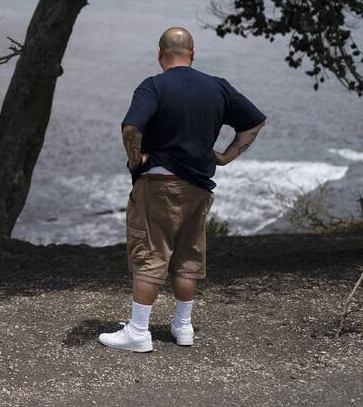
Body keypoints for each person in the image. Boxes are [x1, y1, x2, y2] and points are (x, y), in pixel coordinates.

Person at [98, 26, 266, 352]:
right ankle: (183, 326)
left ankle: (138, 332)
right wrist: (226, 156)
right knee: (187, 255)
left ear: (160, 55)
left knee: (150, 253)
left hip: (159, 184)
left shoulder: (154, 86)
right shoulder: (217, 86)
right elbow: (254, 123)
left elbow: (131, 128)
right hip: (198, 187)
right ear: (193, 54)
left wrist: (135, 160)